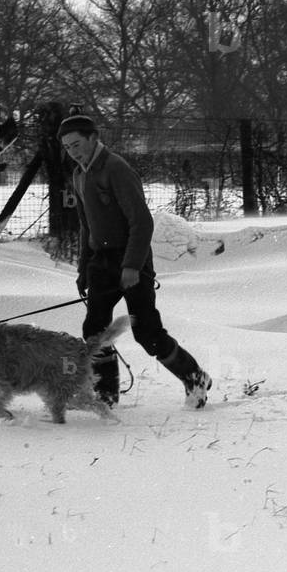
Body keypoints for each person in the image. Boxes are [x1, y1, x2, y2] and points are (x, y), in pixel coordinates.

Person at [60, 114, 211, 409]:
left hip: (132, 259)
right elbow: (85, 226)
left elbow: (141, 222)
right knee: (95, 332)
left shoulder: (115, 168)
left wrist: (131, 266)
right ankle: (106, 394)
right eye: (67, 147)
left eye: (76, 144)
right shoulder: (79, 175)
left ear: (93, 138)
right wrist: (83, 270)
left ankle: (195, 377)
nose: (72, 151)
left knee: (147, 332)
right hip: (100, 263)